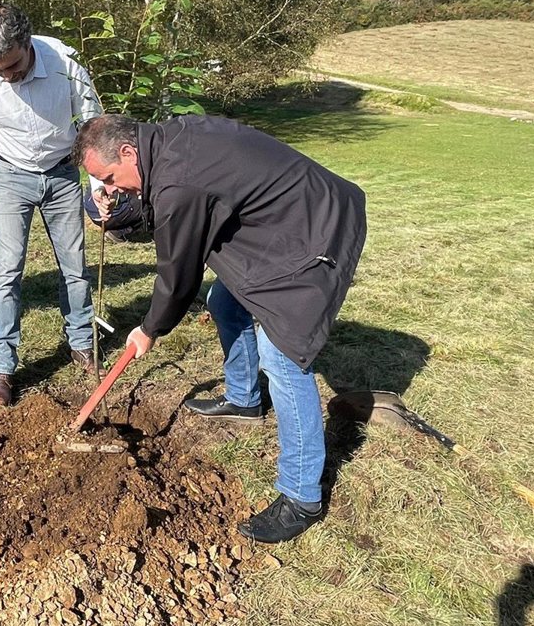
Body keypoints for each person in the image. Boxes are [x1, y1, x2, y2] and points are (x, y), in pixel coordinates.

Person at [74, 113, 367, 543]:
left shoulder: (179, 177)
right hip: (276, 225)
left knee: (283, 357)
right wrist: (116, 210)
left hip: (315, 230)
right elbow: (163, 206)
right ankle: (244, 399)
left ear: (128, 152)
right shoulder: (165, 144)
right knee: (224, 300)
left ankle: (302, 496)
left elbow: (178, 275)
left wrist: (149, 328)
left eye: (110, 178)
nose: (110, 188)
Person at [0, 3, 103, 407]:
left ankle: (81, 344)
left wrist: (98, 186)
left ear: (28, 42)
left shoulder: (65, 61)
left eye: (14, 66)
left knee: (74, 266)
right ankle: (1, 367)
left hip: (63, 172)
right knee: (7, 270)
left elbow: (91, 124)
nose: (7, 76)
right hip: (11, 175)